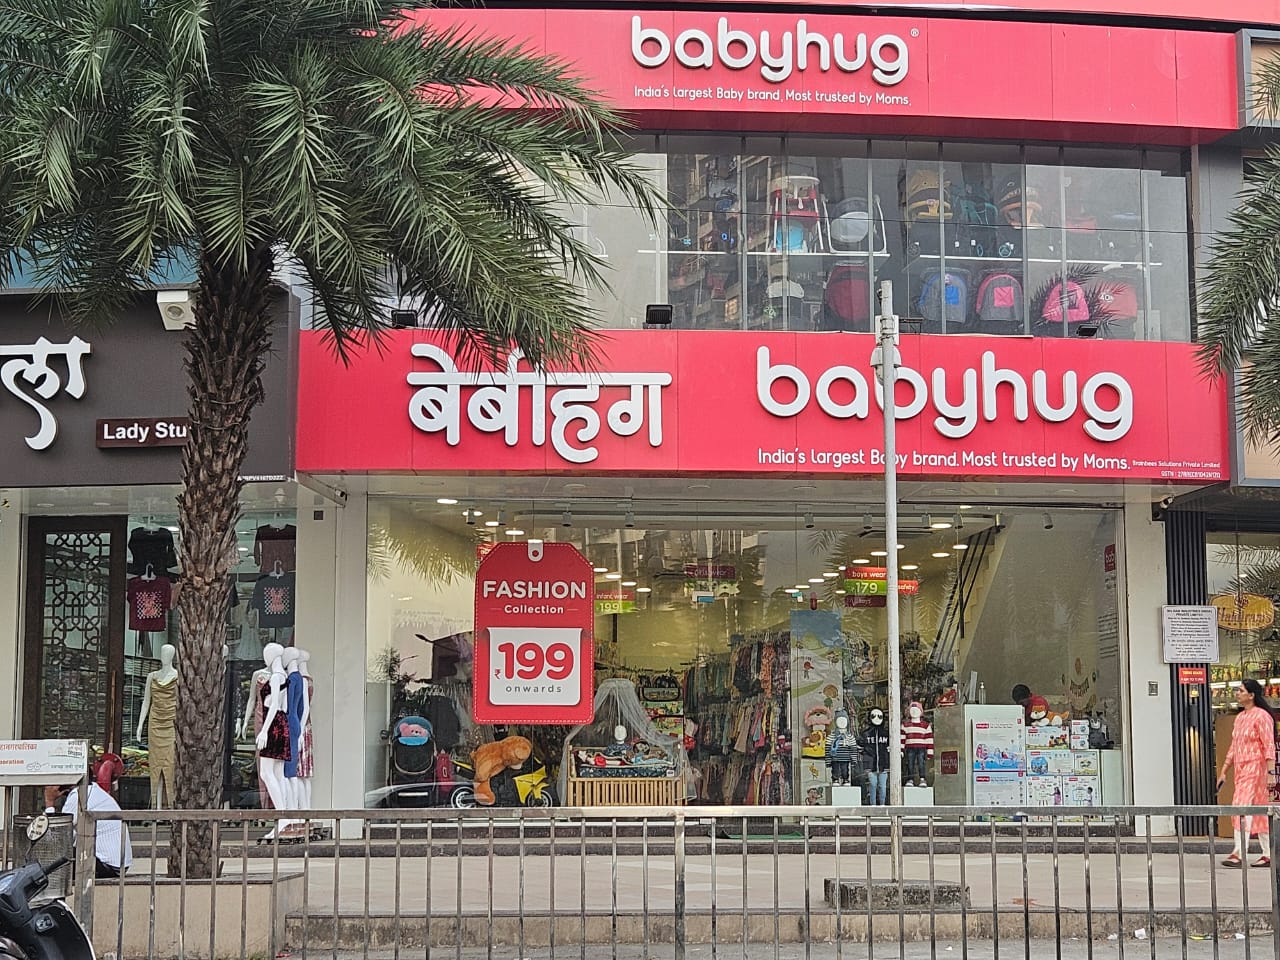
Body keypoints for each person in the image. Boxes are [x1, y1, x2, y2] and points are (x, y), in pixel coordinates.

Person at [1216, 678, 1276, 868]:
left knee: (1241, 807)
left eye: (1241, 691)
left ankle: (1239, 852)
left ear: (1251, 695)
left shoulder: (1262, 716)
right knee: (1259, 809)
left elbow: (1269, 745)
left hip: (1256, 767)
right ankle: (1268, 854)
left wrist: (1271, 772)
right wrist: (1224, 771)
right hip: (1242, 769)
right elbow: (1234, 747)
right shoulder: (1241, 717)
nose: (1237, 693)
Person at [43, 782, 133, 879]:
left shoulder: (78, 796)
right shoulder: (92, 790)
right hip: (118, 866)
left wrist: (49, 802)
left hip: (107, 865)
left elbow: (56, 837)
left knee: (56, 856)